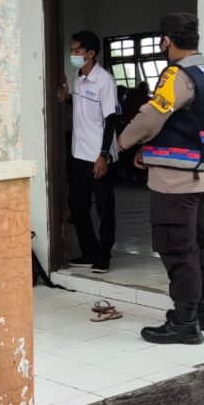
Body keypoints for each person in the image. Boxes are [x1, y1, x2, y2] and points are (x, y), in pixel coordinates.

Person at [118, 13, 204, 343]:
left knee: (176, 246)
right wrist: (148, 151)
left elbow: (153, 116)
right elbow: (188, 122)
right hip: (202, 173)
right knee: (200, 244)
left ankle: (183, 321)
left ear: (167, 40)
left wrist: (122, 142)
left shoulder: (177, 74)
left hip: (176, 180)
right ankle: (202, 313)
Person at [59, 30, 119, 274]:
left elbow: (112, 119)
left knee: (104, 208)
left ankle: (103, 256)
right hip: (79, 154)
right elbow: (81, 107)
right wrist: (66, 99)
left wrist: (103, 155)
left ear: (91, 53)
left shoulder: (104, 80)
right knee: (78, 207)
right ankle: (89, 251)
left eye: (77, 50)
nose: (73, 54)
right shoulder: (77, 76)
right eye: (72, 50)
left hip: (98, 155)